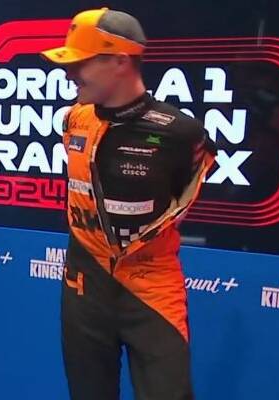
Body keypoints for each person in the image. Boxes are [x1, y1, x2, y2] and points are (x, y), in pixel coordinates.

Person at [41, 8, 217, 400]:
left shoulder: (182, 133)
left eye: (81, 63)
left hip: (151, 286)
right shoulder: (74, 119)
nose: (69, 74)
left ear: (120, 61)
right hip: (84, 285)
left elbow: (184, 199)